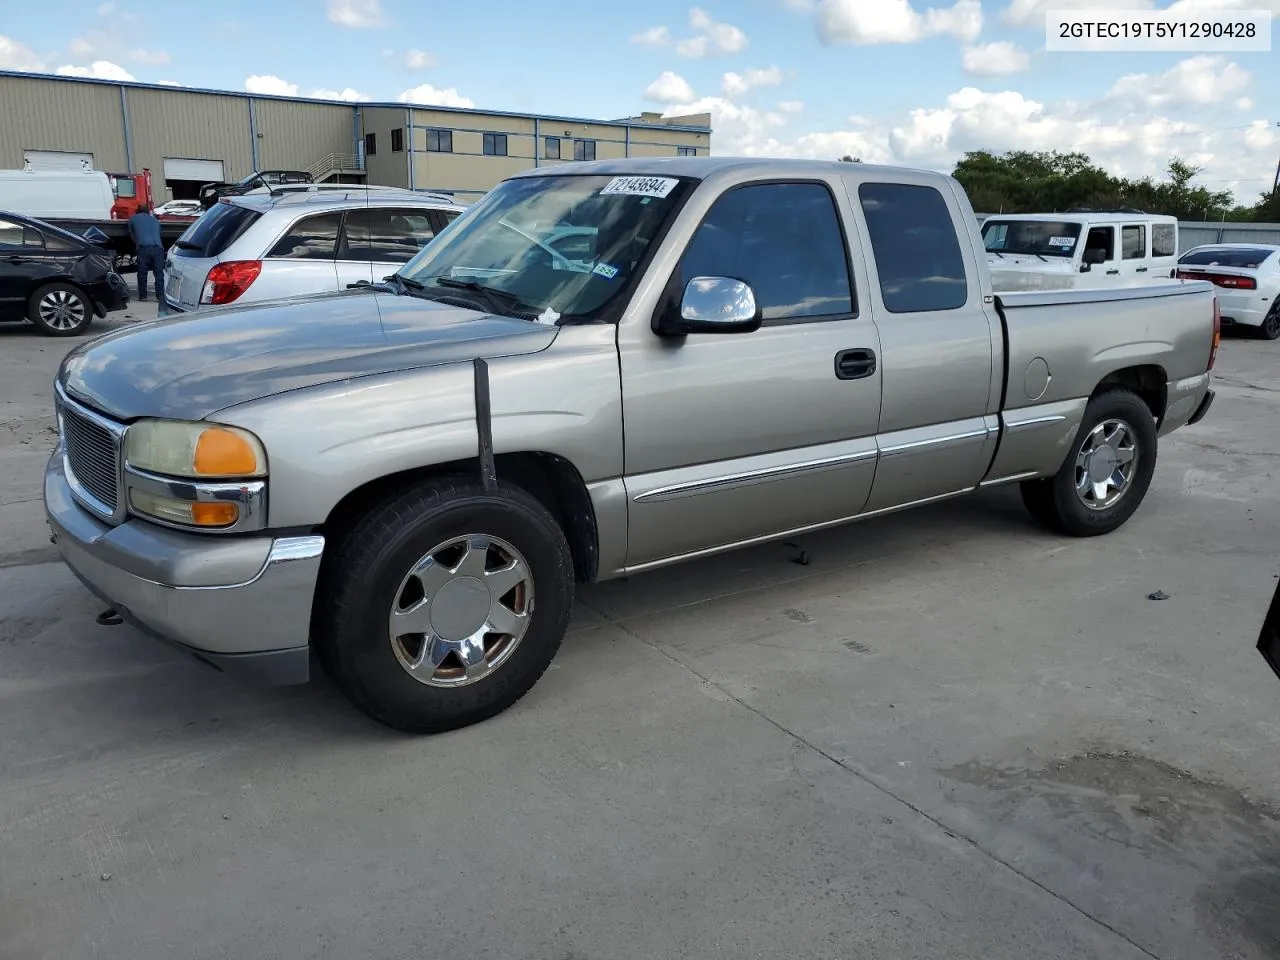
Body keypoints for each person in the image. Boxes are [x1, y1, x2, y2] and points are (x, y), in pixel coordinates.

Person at [128, 203, 169, 315]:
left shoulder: (133, 219)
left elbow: (131, 233)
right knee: (159, 274)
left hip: (143, 248)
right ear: (147, 212)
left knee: (142, 273)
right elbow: (159, 232)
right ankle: (160, 296)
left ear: (137, 211)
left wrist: (137, 243)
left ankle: (143, 296)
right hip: (158, 248)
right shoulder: (155, 220)